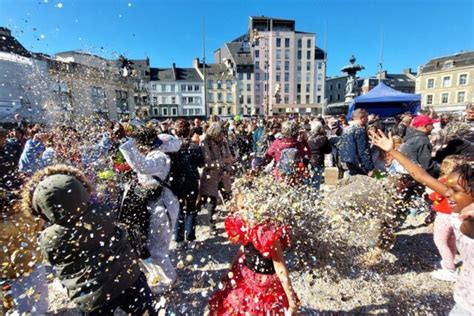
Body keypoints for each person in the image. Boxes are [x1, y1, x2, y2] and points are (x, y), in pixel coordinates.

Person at [22, 165, 158, 315]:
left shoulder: (48, 238)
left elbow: (54, 260)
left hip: (92, 296)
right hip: (129, 277)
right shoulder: (103, 211)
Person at [370, 129, 474, 315]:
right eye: (447, 189)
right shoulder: (456, 204)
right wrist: (392, 151)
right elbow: (421, 176)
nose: (448, 194)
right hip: (464, 299)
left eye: (456, 190)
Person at [208, 176, 300, 315]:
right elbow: (244, 248)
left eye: (245, 208)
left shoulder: (269, 233)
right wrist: (230, 268)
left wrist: (291, 302)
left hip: (265, 284)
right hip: (246, 276)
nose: (241, 212)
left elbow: (280, 267)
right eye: (239, 208)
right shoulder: (246, 223)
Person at [119, 127, 182, 293]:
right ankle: (162, 276)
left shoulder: (159, 156)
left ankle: (170, 280)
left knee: (157, 248)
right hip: (158, 204)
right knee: (153, 245)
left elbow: (142, 166)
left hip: (162, 205)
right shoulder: (159, 151)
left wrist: (127, 145)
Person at [1, 189, 48, 315]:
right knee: (39, 294)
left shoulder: (3, 226)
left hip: (10, 269)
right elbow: (39, 225)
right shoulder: (25, 214)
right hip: (33, 261)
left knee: (17, 298)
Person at [169, 119, 205, 250]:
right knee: (191, 209)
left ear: (176, 132)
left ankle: (179, 240)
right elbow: (201, 163)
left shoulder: (172, 148)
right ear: (189, 131)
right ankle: (190, 238)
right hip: (191, 181)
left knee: (178, 210)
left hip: (176, 182)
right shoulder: (195, 147)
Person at [429, 155, 466, 282]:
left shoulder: (444, 182)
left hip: (444, 215)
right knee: (451, 239)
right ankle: (451, 259)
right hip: (456, 215)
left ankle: (449, 269)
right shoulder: (463, 182)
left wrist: (430, 194)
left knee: (440, 241)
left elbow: (436, 196)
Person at [199, 121, 234, 234]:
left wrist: (228, 166)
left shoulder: (223, 142)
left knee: (229, 199)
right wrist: (223, 161)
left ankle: (233, 224)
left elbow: (229, 156)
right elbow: (207, 163)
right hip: (211, 177)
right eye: (220, 134)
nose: (222, 137)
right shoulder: (206, 143)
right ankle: (211, 225)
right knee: (211, 202)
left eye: (223, 135)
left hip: (223, 175)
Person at [338, 108, 374, 176]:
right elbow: (363, 150)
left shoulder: (346, 129)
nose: (367, 119)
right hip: (357, 164)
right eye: (366, 117)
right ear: (362, 118)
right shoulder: (360, 130)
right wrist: (370, 167)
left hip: (346, 162)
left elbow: (340, 145)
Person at [307, 120, 331, 190]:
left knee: (308, 179)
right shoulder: (323, 138)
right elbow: (328, 150)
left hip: (308, 160)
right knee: (317, 180)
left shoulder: (307, 137)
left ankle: (308, 194)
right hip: (318, 160)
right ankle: (315, 195)